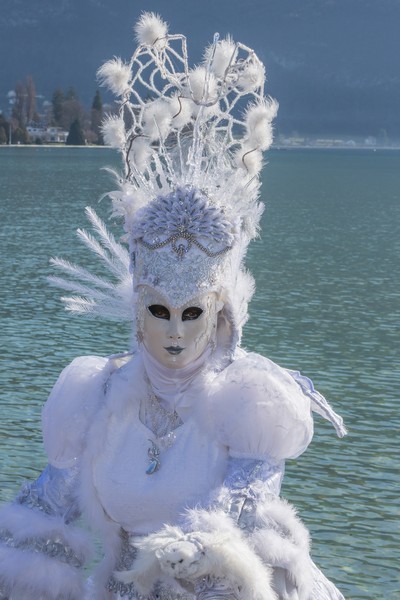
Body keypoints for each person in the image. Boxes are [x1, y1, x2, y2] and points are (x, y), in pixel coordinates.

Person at [0, 13, 347, 600]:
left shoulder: (248, 403)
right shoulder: (95, 396)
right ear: (137, 311)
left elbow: (238, 515)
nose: (177, 333)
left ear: (221, 315)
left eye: (193, 314)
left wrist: (174, 566)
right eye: (160, 312)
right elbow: (44, 511)